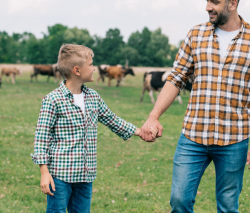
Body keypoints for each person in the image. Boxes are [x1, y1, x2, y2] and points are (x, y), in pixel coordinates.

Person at [140, 0, 250, 212]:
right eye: (207, 1)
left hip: (234, 140)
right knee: (179, 200)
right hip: (193, 136)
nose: (207, 7)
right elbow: (176, 78)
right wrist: (154, 115)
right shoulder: (196, 34)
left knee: (227, 207)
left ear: (232, 4)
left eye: (214, 2)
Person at [31, 44, 157, 213]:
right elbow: (41, 138)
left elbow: (112, 120)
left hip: (85, 175)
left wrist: (140, 132)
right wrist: (44, 172)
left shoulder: (93, 97)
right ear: (77, 70)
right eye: (90, 65)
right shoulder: (53, 100)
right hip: (59, 175)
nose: (94, 69)